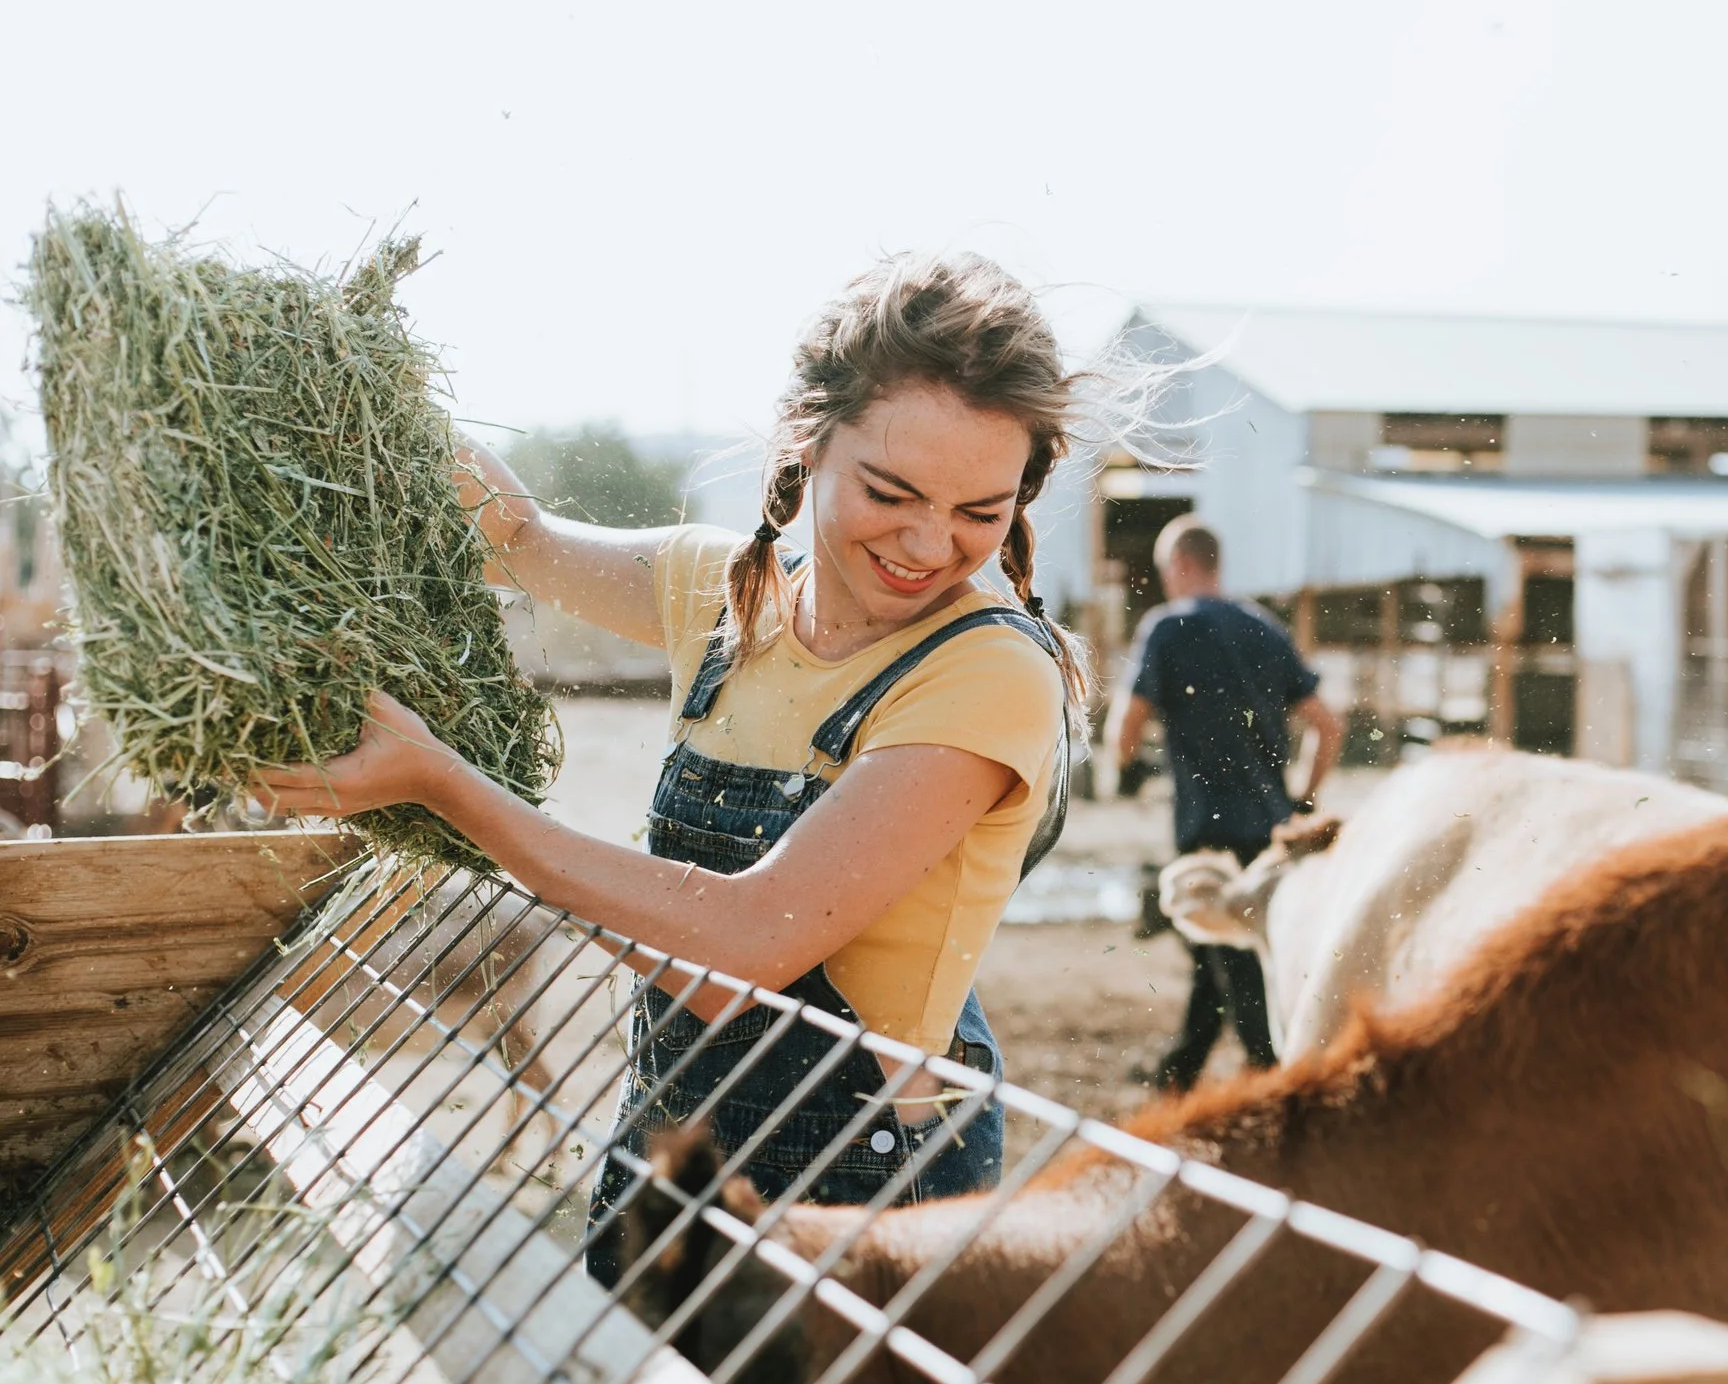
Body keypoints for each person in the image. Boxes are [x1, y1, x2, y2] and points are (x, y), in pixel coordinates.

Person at [250, 253, 1104, 1285]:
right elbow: (517, 539)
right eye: (892, 491)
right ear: (807, 440)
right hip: (677, 1142)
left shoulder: (988, 671)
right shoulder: (726, 589)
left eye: (983, 511)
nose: (930, 543)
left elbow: (742, 948)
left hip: (864, 1198)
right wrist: (352, 386)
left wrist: (444, 784)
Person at [1112, 517, 1342, 1092]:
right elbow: (1328, 726)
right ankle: (1181, 1071)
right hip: (1269, 828)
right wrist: (1304, 797)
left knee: (1233, 966)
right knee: (1220, 953)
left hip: (1205, 828)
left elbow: (1125, 728)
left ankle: (1271, 1080)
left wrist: (1128, 770)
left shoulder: (1166, 628)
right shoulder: (1264, 628)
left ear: (1177, 567)